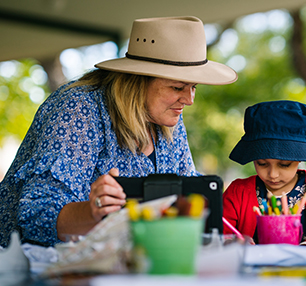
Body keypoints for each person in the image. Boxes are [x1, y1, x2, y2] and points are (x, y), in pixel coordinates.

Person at [0, 16, 237, 247]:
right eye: (177, 87)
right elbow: (36, 216)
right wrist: (94, 213)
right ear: (137, 80)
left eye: (193, 87)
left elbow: (187, 193)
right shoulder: (79, 108)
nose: (189, 99)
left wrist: (220, 234)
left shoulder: (169, 116)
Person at [223, 100, 306, 247]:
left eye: (284, 165)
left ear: (299, 159)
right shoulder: (238, 192)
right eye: (262, 163)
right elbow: (217, 233)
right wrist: (234, 243)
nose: (273, 174)